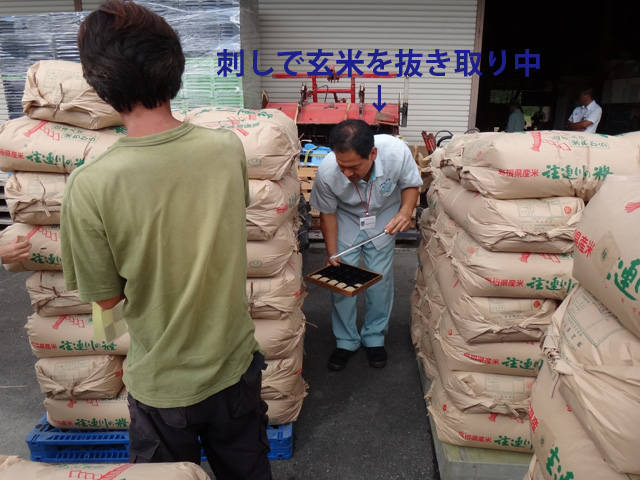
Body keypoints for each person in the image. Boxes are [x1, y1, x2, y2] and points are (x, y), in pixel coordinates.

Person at [60, 2, 272, 478]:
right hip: (234, 369)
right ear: (174, 67)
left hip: (160, 386)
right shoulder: (225, 149)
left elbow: (107, 303)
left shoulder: (91, 183)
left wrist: (125, 359)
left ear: (99, 85)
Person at [309, 120, 422, 371]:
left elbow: (410, 184)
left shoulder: (395, 152)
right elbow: (327, 213)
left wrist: (405, 211)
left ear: (373, 153)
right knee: (341, 280)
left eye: (354, 167)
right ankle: (346, 341)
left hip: (384, 217)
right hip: (345, 218)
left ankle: (374, 337)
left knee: (379, 280)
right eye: (342, 166)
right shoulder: (328, 172)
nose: (347, 173)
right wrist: (332, 253)